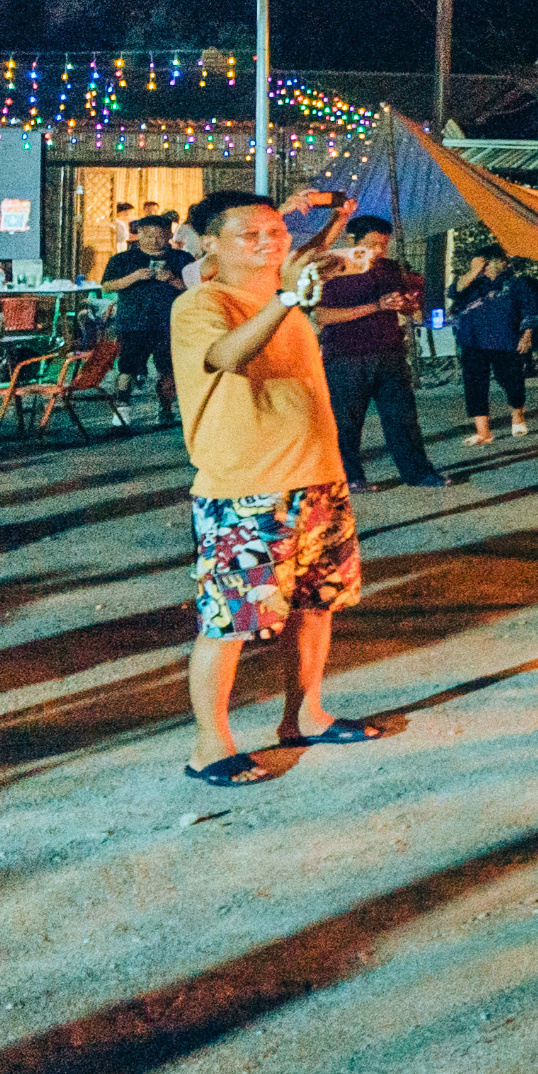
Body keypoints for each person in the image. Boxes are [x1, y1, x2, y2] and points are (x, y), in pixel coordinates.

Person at [172, 188, 389, 784]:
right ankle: (209, 746)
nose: (269, 243)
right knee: (231, 622)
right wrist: (289, 298)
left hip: (318, 477)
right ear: (210, 244)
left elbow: (309, 255)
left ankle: (305, 716)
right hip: (247, 488)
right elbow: (228, 355)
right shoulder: (201, 304)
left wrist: (337, 220)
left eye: (276, 232)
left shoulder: (284, 290)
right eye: (250, 235)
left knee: (317, 608)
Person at [311, 215, 449, 491]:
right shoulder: (332, 268)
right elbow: (323, 316)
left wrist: (407, 304)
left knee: (402, 417)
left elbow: (407, 307)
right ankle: (350, 477)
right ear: (351, 240)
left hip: (389, 351)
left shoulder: (389, 268)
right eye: (372, 245)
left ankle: (418, 473)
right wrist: (376, 306)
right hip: (346, 355)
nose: (378, 251)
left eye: (383, 245)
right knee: (346, 422)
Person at [99, 212, 187, 416]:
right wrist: (133, 277)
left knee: (168, 368)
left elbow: (194, 289)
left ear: (169, 234)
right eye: (148, 235)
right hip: (133, 322)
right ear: (139, 233)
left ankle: (166, 409)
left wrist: (173, 280)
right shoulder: (123, 259)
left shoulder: (181, 259)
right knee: (127, 367)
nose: (154, 241)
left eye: (159, 235)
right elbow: (107, 286)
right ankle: (121, 413)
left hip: (170, 322)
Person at [448, 249, 538, 445]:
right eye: (482, 263)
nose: (485, 267)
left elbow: (529, 308)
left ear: (502, 263)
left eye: (488, 263)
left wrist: (527, 334)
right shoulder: (471, 282)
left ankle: (518, 415)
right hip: (473, 341)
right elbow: (454, 292)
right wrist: (474, 272)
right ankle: (483, 432)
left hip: (505, 339)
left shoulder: (515, 283)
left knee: (511, 380)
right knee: (475, 385)